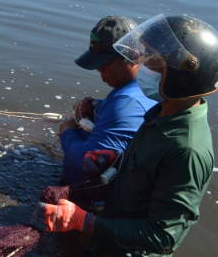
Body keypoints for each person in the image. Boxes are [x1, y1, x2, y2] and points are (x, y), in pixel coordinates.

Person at [33, 15, 216, 257]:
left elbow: (162, 236)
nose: (142, 64)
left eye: (151, 60)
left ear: (180, 76)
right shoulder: (159, 112)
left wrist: (84, 222)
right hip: (106, 238)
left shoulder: (187, 150)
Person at [58, 16, 157, 184]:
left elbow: (88, 162)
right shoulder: (143, 86)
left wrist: (66, 131)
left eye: (104, 63)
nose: (98, 68)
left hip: (92, 197)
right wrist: (98, 106)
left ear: (133, 56)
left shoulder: (128, 105)